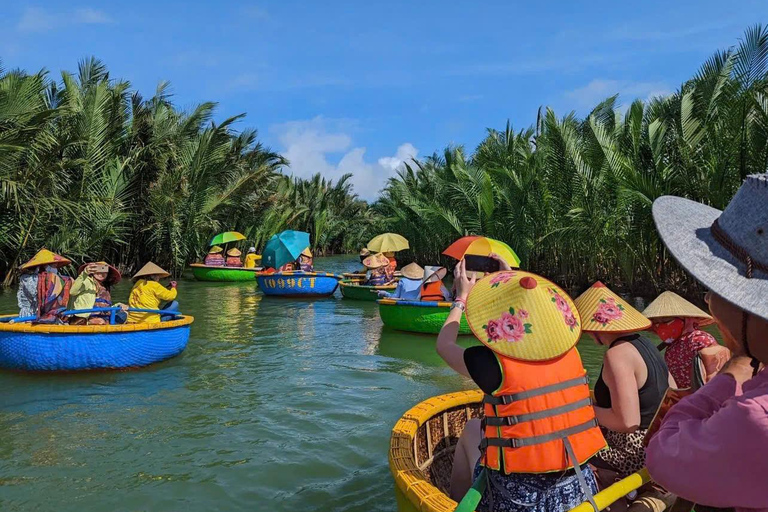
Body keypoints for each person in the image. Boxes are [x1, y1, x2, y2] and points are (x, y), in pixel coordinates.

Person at [439, 260, 606, 512]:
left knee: (472, 429)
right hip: (578, 490)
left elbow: (444, 345)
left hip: (518, 500)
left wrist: (460, 299)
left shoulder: (490, 363)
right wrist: (511, 278)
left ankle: (452, 503)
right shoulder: (570, 353)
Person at [644, 173, 768, 511]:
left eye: (715, 288)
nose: (710, 298)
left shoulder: (754, 416)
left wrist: (738, 362)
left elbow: (662, 452)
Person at [574, 282, 675, 510]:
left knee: (568, 460)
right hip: (657, 442)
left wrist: (582, 411)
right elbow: (672, 390)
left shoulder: (616, 354)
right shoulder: (646, 345)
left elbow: (627, 422)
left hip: (632, 451)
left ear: (596, 328)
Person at [643, 291, 721, 388]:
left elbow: (716, 378)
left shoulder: (700, 340)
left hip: (701, 398)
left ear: (686, 319)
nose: (661, 326)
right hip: (681, 398)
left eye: (666, 321)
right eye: (657, 323)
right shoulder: (672, 345)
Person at [16, 249, 72, 322]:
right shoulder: (29, 279)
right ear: (45, 266)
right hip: (30, 314)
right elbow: (34, 294)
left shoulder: (51, 279)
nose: (56, 268)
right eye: (53, 265)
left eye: (56, 266)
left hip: (44, 313)